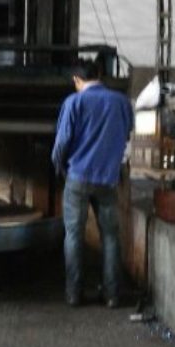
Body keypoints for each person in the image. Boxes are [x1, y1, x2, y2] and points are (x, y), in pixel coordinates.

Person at [51, 58, 133, 308]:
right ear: (99, 75)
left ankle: (74, 294)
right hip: (107, 179)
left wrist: (58, 166)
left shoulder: (74, 102)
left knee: (74, 235)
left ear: (77, 79)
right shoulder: (121, 102)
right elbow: (126, 134)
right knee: (110, 236)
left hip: (78, 177)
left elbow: (62, 142)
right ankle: (112, 295)